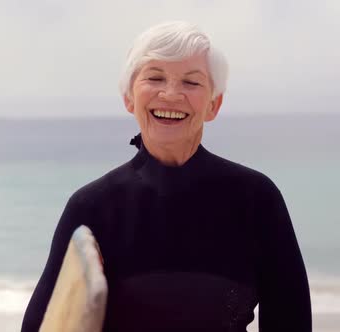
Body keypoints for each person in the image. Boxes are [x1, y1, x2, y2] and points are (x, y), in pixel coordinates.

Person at [22, 21, 311, 331]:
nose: (171, 94)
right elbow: (44, 326)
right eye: (155, 77)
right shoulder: (92, 208)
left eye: (192, 82)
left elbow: (291, 321)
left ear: (214, 104)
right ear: (129, 98)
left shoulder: (256, 200)